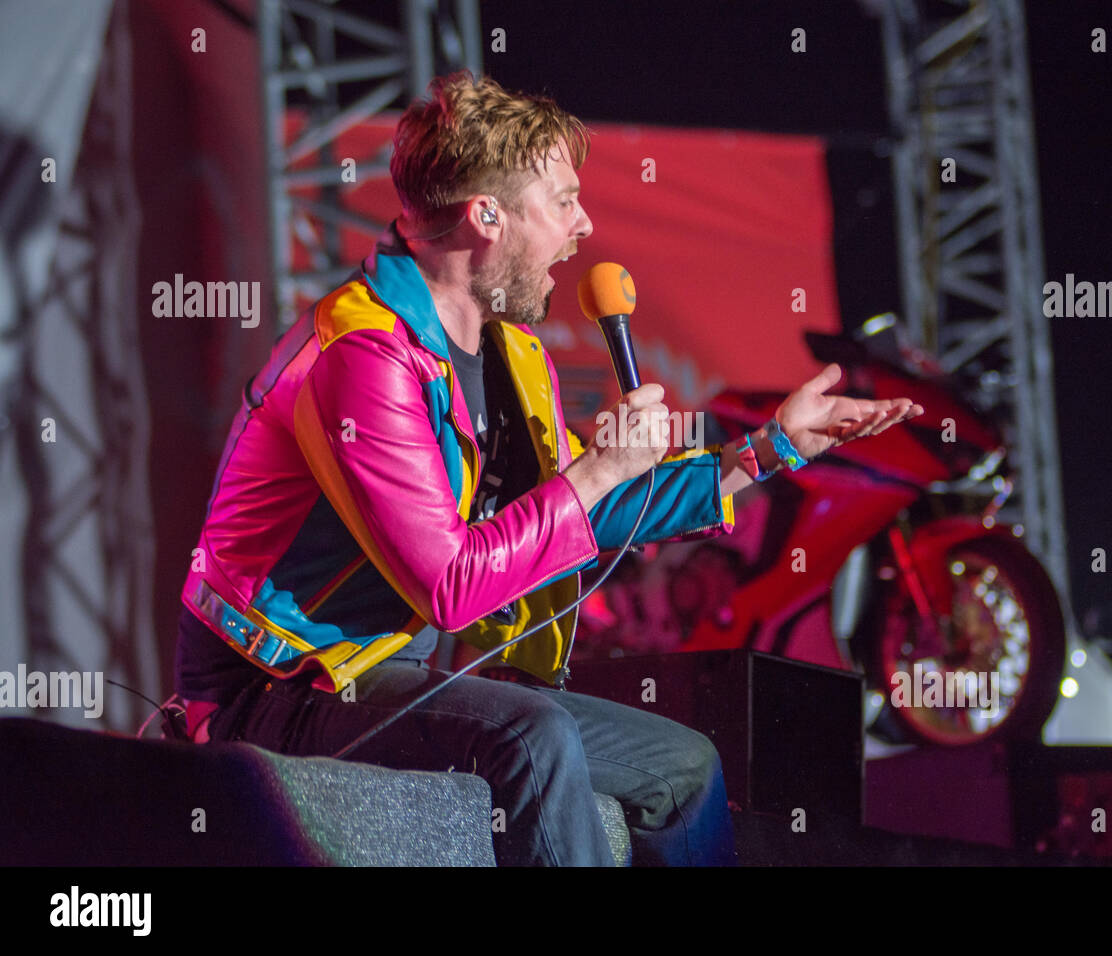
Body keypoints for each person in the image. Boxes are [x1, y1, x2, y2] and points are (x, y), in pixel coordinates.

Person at [173, 70, 922, 866]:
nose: (583, 224)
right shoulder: (365, 356)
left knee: (684, 768)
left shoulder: (511, 349)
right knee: (536, 737)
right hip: (274, 686)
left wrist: (770, 449)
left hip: (382, 670)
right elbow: (452, 587)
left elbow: (587, 513)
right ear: (486, 215)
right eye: (562, 200)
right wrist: (596, 470)